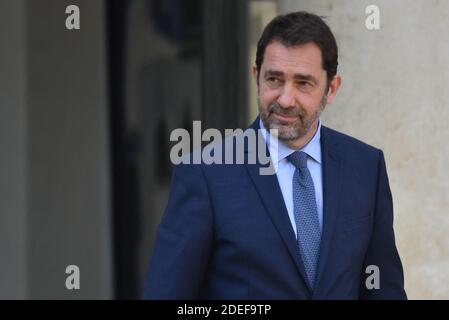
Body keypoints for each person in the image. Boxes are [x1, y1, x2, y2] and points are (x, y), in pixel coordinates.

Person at [143, 11, 406, 299]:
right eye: (274, 79)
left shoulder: (366, 167)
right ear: (257, 76)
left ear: (331, 89)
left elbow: (384, 290)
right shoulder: (206, 174)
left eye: (303, 83)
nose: (285, 99)